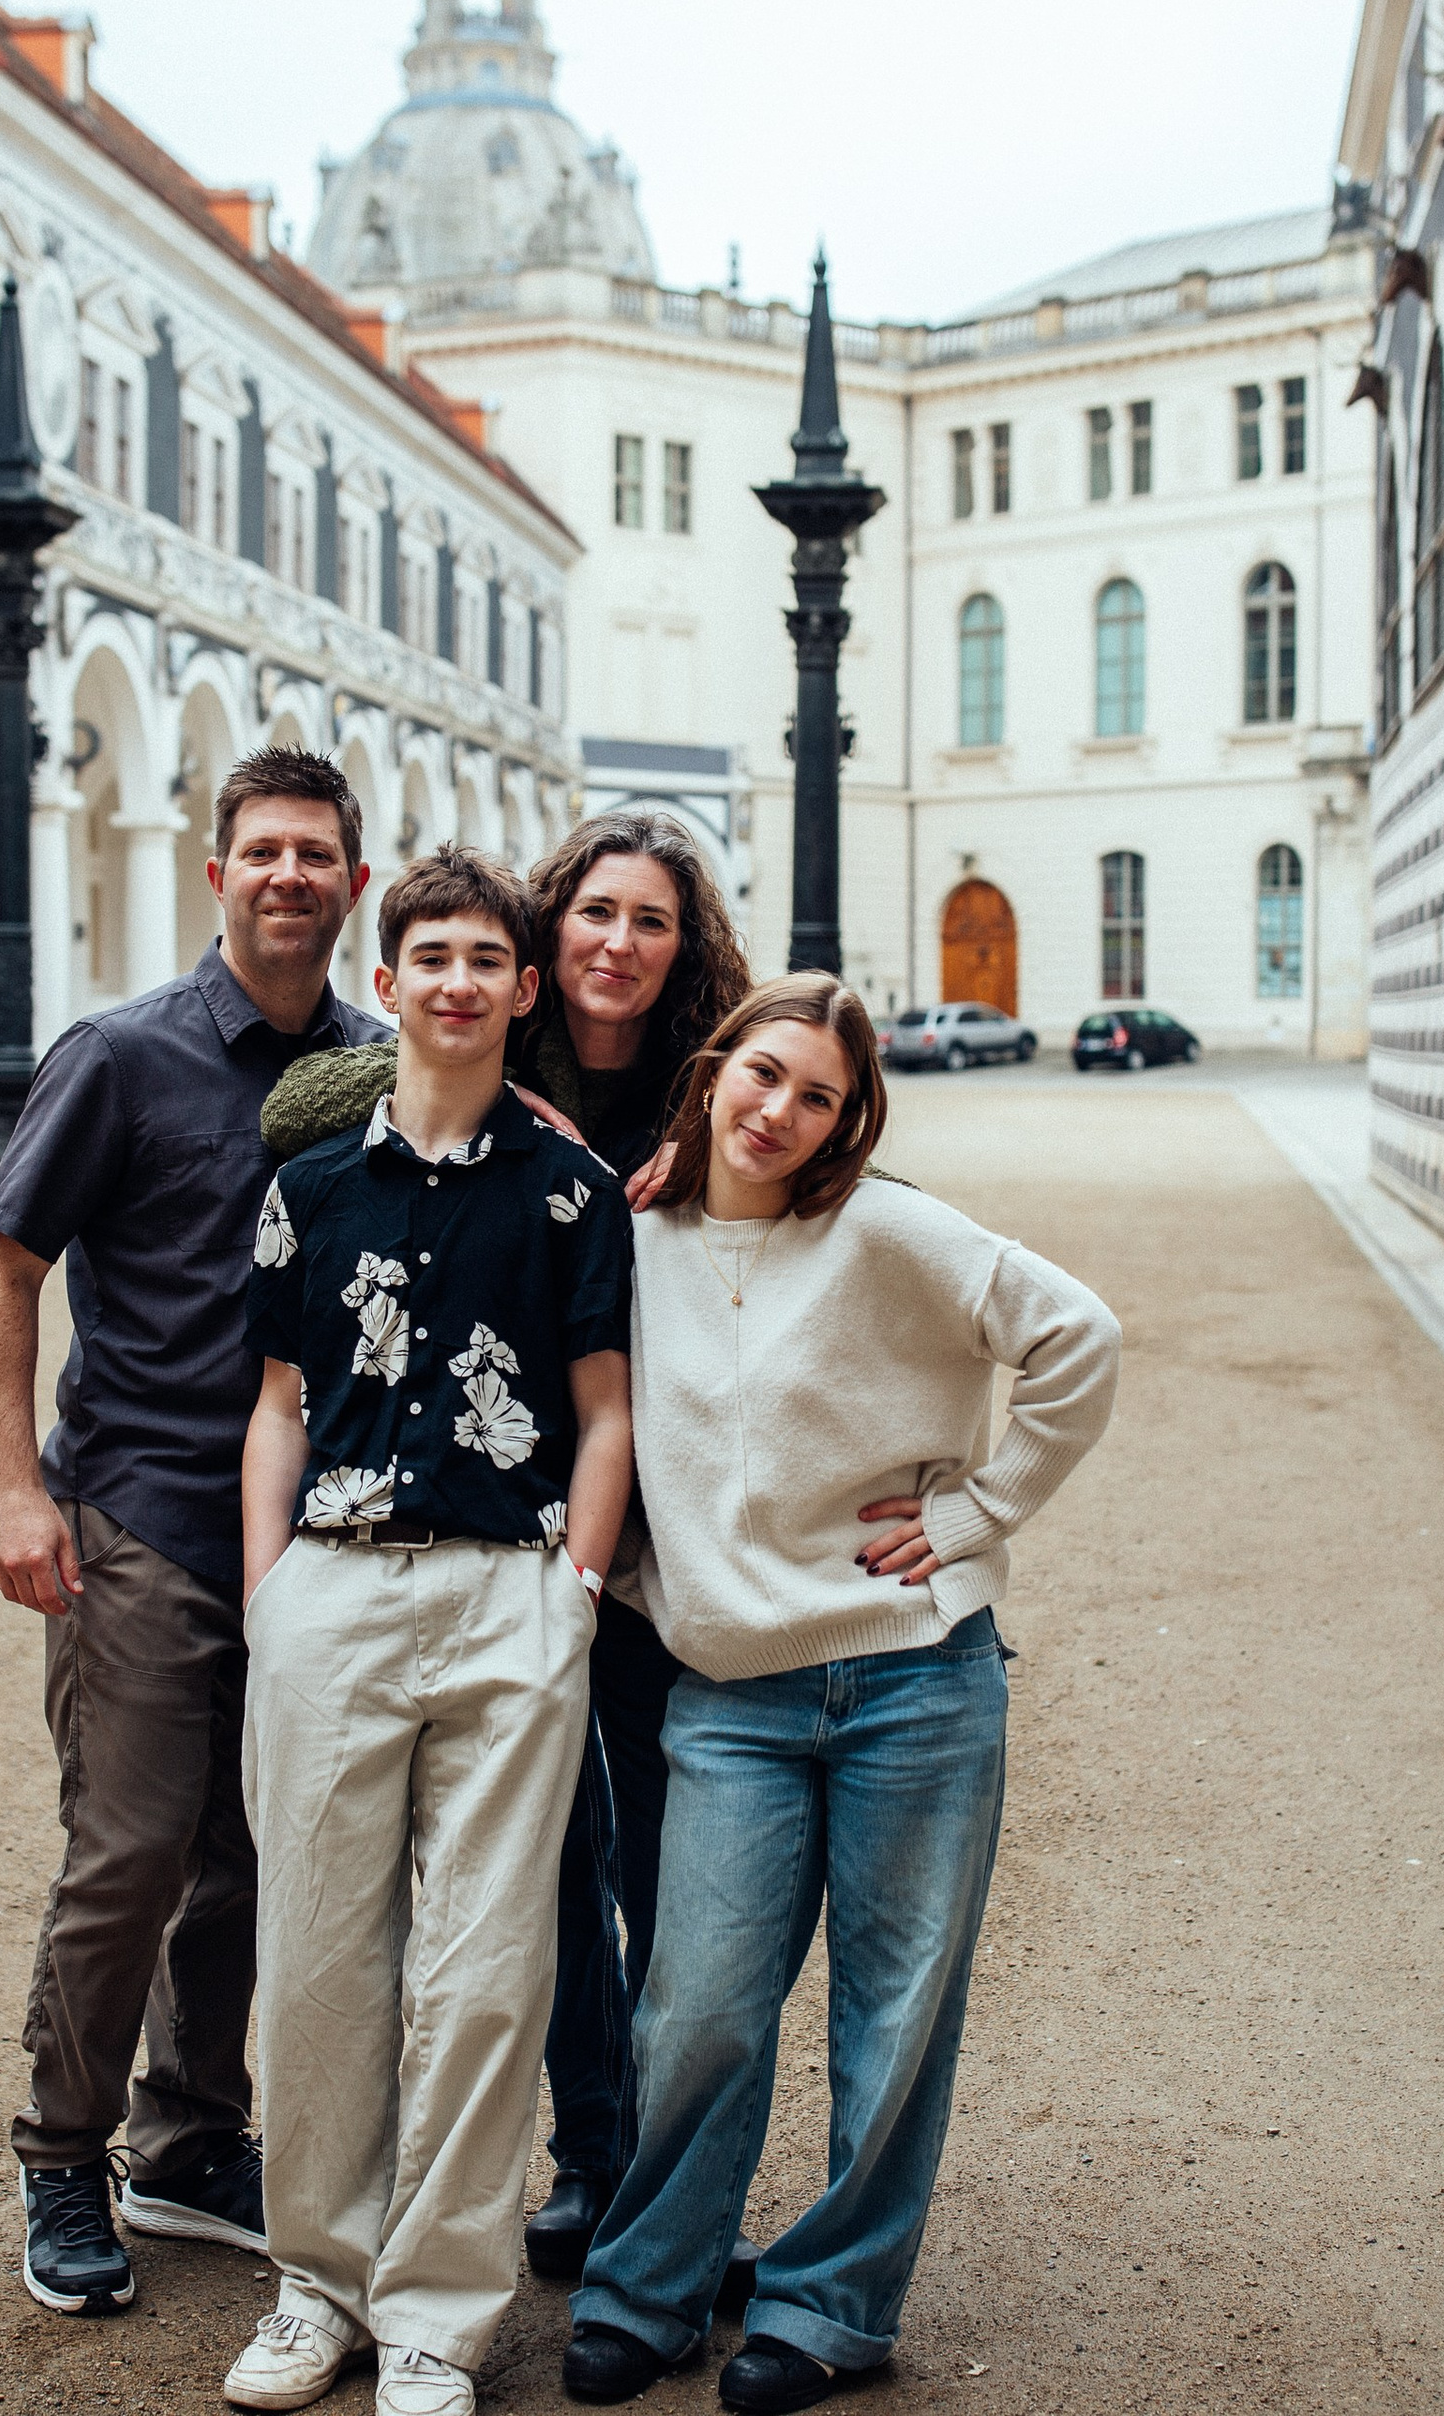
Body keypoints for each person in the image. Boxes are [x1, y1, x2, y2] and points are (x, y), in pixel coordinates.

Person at [560, 976, 1121, 2413]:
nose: (779, 1112)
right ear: (712, 1072)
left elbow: (1077, 1337)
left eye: (816, 1097)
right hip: (731, 1697)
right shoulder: (633, 1236)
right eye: (762, 1075)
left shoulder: (883, 1228)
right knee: (696, 2007)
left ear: (847, 1120)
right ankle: (651, 2287)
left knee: (894, 2013)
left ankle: (830, 2308)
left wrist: (980, 1511)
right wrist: (635, 1583)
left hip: (913, 1682)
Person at [261, 811, 751, 2279]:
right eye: (594, 912)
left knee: (669, 1872)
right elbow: (313, 1105)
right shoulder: (488, 1067)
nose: (618, 942)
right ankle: (589, 2156)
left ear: (684, 948)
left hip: (667, 1529)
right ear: (552, 945)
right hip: (502, 1528)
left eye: (651, 920)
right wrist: (502, 1104)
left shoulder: (718, 1083)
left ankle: (674, 2191)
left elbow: (839, 1179)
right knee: (542, 1869)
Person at [0, 746, 384, 2318]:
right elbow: (6, 1266)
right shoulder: (120, 1058)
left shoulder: (376, 1060)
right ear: (218, 877)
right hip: (137, 1515)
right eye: (261, 851)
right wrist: (16, 1488)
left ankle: (194, 2139)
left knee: (252, 1856)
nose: (288, 875)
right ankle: (65, 2154)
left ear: (353, 881)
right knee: (131, 1852)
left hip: (314, 1540)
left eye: (316, 853)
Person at [225, 846, 637, 2416]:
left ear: (522, 992)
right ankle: (315, 2284)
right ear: (384, 984)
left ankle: (436, 2318)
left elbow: (606, 1418)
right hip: (331, 1590)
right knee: (320, 1956)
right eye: (433, 957)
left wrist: (573, 1600)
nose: (459, 981)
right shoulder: (310, 1191)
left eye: (489, 959)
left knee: (483, 1973)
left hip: (509, 1598)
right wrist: (269, 1591)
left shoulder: (571, 1192)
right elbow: (272, 1409)